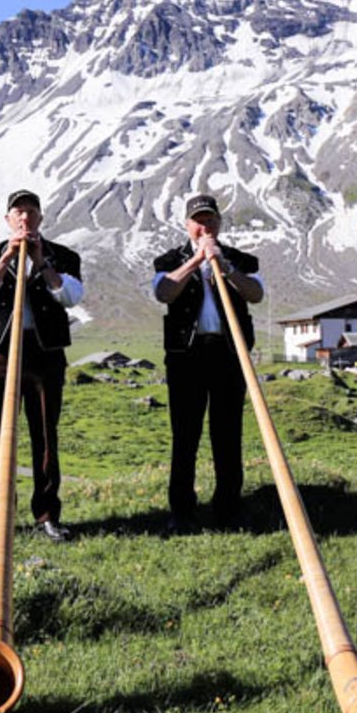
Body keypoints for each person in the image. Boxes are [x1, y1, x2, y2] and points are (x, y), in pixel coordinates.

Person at [0, 189, 83, 543]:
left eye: (31, 212)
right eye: (18, 212)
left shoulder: (62, 256)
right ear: (8, 220)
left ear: (40, 219)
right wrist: (5, 258)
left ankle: (47, 513)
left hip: (44, 352)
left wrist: (42, 261)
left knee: (45, 434)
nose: (24, 218)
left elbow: (72, 296)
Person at [152, 194, 264, 534]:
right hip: (187, 357)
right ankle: (182, 511)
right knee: (185, 435)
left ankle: (229, 509)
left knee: (228, 434)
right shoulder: (169, 260)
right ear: (188, 225)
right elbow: (163, 292)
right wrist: (196, 260)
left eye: (211, 220)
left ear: (220, 223)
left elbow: (256, 294)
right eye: (199, 220)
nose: (205, 226)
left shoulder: (239, 259)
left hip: (230, 355)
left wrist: (225, 266)